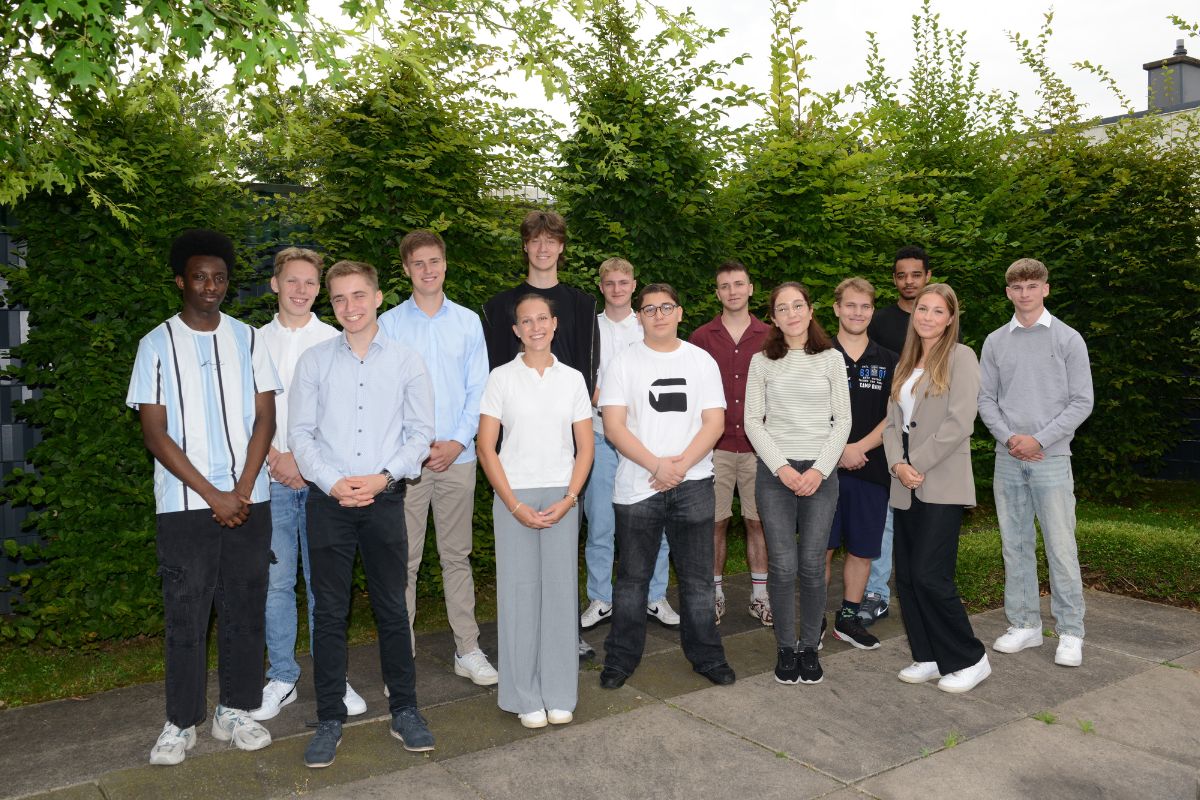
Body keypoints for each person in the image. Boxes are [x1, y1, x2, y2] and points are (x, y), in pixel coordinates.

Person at [127, 228, 281, 765]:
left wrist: (240, 490)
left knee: (244, 608)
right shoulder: (155, 344)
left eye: (218, 277)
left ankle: (235, 710)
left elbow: (266, 418)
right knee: (186, 614)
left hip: (249, 499)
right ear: (179, 281)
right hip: (185, 506)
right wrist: (213, 493)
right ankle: (180, 721)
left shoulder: (250, 339)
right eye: (199, 277)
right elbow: (154, 433)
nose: (210, 286)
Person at [289, 260, 436, 768]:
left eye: (358, 296)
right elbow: (300, 435)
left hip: (384, 498)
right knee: (328, 614)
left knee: (392, 609)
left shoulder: (406, 361)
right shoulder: (313, 362)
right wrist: (333, 483)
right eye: (339, 299)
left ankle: (406, 710)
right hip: (328, 504)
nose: (349, 307)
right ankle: (329, 717)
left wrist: (381, 478)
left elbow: (420, 434)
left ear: (377, 298)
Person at [599, 284, 736, 689]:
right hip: (637, 485)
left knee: (697, 580)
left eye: (666, 307)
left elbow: (714, 423)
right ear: (638, 317)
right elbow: (613, 425)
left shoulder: (701, 361)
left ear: (680, 312)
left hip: (693, 484)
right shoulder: (623, 363)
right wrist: (657, 465)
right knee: (631, 582)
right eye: (649, 309)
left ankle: (707, 657)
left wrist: (679, 467)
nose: (658, 314)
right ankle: (620, 660)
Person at [378, 230, 498, 687]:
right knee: (402, 561)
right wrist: (416, 449)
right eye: (418, 264)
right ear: (406, 269)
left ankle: (466, 648)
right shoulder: (389, 324)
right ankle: (400, 657)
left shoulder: (468, 322)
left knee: (457, 556)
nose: (428, 270)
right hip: (407, 465)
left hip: (458, 458)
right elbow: (388, 394)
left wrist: (458, 442)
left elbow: (478, 389)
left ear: (445, 264)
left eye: (435, 261)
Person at [480, 209, 600, 660]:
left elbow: (588, 372)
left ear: (561, 247)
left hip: (569, 447)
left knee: (563, 550)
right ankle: (521, 643)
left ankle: (564, 634)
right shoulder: (499, 306)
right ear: (526, 246)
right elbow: (495, 376)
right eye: (535, 240)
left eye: (552, 240)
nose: (544, 248)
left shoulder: (582, 304)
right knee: (520, 562)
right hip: (518, 449)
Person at [252, 247, 365, 722]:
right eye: (292, 281)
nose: (301, 290)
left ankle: (332, 676)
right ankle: (282, 675)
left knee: (326, 585)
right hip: (270, 476)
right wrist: (277, 458)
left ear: (321, 289)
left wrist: (306, 461)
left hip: (323, 483)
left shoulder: (338, 340)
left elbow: (345, 415)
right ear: (275, 284)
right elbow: (244, 413)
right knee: (277, 583)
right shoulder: (251, 342)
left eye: (310, 283)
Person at [477, 294, 594, 728]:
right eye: (526, 321)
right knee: (519, 596)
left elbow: (585, 447)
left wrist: (569, 499)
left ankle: (560, 691)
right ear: (516, 330)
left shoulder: (573, 380)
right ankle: (524, 695)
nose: (535, 327)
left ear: (554, 323)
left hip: (563, 495)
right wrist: (513, 504)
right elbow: (487, 448)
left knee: (561, 595)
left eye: (542, 318)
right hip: (515, 495)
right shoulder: (501, 379)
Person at [979, 258, 1093, 667]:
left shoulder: (1067, 339)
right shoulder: (995, 341)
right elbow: (985, 400)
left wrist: (1039, 439)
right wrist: (1011, 439)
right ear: (1008, 292)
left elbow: (1082, 401)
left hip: (1051, 457)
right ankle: (1025, 625)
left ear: (1045, 288)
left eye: (1032, 285)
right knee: (1015, 544)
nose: (1024, 293)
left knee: (1061, 546)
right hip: (1008, 457)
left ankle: (1070, 631)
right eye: (1017, 286)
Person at [884, 283, 990, 694]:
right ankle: (928, 655)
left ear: (950, 318)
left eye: (937, 311)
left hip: (940, 479)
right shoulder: (905, 362)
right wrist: (897, 463)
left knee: (931, 575)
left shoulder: (961, 357)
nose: (927, 316)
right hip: (905, 481)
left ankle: (969, 658)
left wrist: (915, 464)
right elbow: (892, 424)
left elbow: (960, 423)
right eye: (922, 309)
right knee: (908, 576)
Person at [744, 283, 851, 685]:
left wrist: (820, 470)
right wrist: (783, 468)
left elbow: (842, 420)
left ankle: (810, 647)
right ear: (773, 316)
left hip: (820, 474)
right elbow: (754, 420)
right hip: (776, 474)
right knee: (783, 564)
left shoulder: (830, 359)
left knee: (811, 564)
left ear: (810, 311)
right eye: (782, 308)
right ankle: (786, 648)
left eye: (798, 305)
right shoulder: (762, 362)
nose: (791, 313)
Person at [581, 258, 678, 632]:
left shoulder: (649, 325)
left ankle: (655, 597)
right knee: (601, 524)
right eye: (610, 283)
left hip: (645, 440)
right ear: (601, 287)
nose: (617, 289)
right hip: (600, 435)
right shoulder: (590, 328)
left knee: (656, 523)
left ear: (633, 285)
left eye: (624, 282)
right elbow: (578, 375)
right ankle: (601, 598)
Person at [689, 261, 773, 626]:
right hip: (715, 448)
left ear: (751, 288)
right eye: (725, 286)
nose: (733, 291)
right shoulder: (700, 338)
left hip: (760, 448)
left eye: (739, 284)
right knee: (715, 523)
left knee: (759, 523)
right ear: (717, 292)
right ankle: (716, 594)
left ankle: (760, 596)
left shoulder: (772, 336)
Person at [859, 245, 933, 626]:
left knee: (928, 518)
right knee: (886, 517)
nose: (909, 281)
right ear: (894, 279)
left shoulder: (938, 321)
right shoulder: (881, 321)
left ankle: (925, 589)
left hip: (932, 435)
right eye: (902, 275)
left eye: (915, 274)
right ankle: (878, 592)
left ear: (928, 276)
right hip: (888, 432)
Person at [825, 278, 898, 651]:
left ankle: (849, 618)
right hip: (822, 471)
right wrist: (837, 451)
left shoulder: (888, 360)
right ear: (837, 308)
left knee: (862, 548)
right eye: (850, 305)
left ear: (872, 311)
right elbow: (804, 414)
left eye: (865, 307)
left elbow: (893, 415)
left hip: (870, 468)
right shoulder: (816, 355)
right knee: (820, 548)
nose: (857, 313)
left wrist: (857, 448)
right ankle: (814, 623)